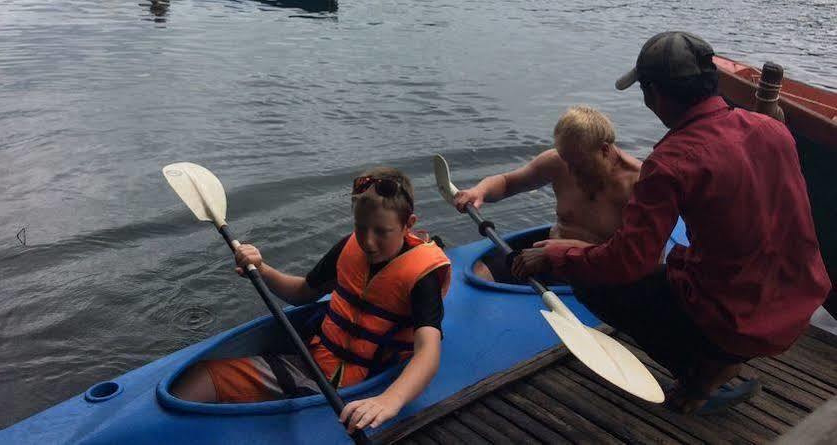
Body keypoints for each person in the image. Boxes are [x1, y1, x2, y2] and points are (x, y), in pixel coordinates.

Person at [513, 31, 831, 414]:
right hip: (800, 305)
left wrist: (559, 258)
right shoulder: (774, 130)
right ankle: (720, 357)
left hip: (738, 321)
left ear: (654, 96)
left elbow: (629, 263)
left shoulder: (671, 162)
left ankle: (702, 372)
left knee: (594, 282)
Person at [171, 166, 452, 434]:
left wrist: (390, 400)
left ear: (408, 225)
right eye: (360, 227)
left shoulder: (422, 276)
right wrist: (261, 269)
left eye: (381, 231)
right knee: (200, 377)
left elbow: (428, 351)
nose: (368, 241)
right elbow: (302, 293)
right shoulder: (348, 247)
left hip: (363, 385)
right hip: (314, 362)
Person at [453, 106, 641, 282]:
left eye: (579, 164)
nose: (572, 172)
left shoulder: (639, 183)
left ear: (604, 150)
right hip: (546, 257)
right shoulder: (560, 161)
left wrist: (564, 251)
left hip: (599, 272)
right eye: (567, 161)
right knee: (480, 274)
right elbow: (507, 183)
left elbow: (638, 257)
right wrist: (479, 191)